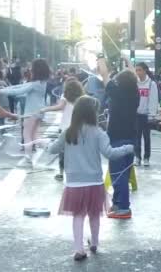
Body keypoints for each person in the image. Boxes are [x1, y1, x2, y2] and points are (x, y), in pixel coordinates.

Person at [47, 96, 134, 261]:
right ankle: (94, 243)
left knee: (78, 216)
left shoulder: (68, 132)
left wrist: (47, 143)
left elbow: (52, 149)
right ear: (93, 113)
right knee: (94, 214)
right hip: (94, 181)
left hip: (74, 183)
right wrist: (127, 148)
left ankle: (79, 249)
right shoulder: (99, 132)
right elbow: (110, 153)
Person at [97, 57, 139, 219]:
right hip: (131, 138)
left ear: (119, 83)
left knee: (118, 174)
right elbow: (133, 76)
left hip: (117, 138)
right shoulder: (135, 93)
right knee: (124, 173)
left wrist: (101, 59)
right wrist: (128, 61)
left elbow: (104, 74)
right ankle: (117, 203)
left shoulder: (116, 93)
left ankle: (123, 208)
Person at [0, 59, 50, 167]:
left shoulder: (34, 84)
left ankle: (28, 157)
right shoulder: (41, 83)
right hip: (40, 111)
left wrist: (1, 91)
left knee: (27, 134)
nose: (30, 69)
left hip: (31, 112)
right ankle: (49, 147)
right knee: (34, 135)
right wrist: (6, 88)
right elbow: (19, 87)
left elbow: (19, 90)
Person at [41, 77, 84, 181]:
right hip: (78, 128)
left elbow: (59, 107)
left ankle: (61, 173)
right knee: (77, 151)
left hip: (65, 128)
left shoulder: (65, 96)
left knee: (62, 152)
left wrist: (45, 109)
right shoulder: (82, 98)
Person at [134, 62, 159, 167]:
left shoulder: (151, 84)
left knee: (146, 137)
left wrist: (152, 115)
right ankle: (137, 157)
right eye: (136, 70)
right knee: (136, 137)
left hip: (146, 115)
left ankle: (146, 157)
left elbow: (153, 100)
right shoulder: (135, 83)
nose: (138, 72)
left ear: (145, 70)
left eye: (139, 70)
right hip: (136, 114)